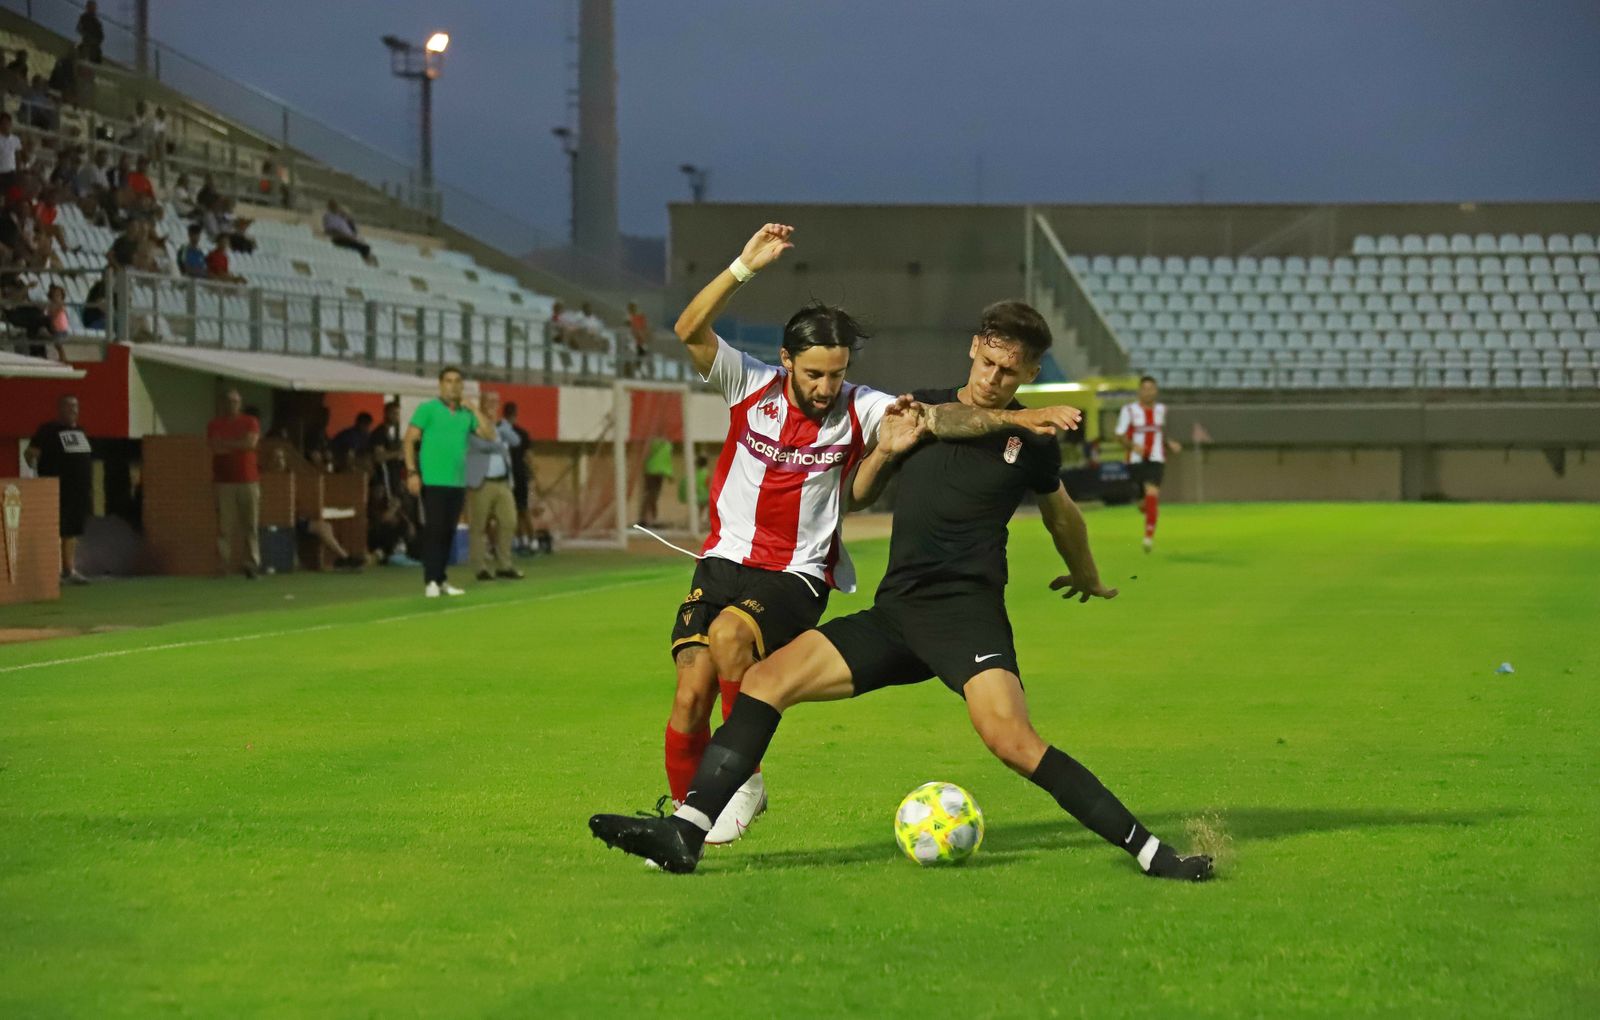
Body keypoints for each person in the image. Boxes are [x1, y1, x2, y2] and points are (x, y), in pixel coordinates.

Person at [589, 301, 1214, 882]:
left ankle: (1153, 854)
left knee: (1012, 742)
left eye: (1010, 371)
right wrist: (885, 453)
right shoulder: (920, 409)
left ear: (1030, 372)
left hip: (966, 617)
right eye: (988, 362)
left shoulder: (1033, 442)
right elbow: (858, 495)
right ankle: (687, 833)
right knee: (764, 681)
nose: (994, 377)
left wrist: (1086, 573)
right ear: (974, 349)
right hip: (896, 614)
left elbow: (1061, 513)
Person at [640, 223, 1081, 845]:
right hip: (721, 561)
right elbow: (689, 329)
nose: (827, 388)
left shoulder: (862, 406)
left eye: (837, 373)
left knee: (730, 636)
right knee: (690, 696)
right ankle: (681, 825)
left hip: (796, 572)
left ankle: (744, 781)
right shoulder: (750, 384)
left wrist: (1021, 417)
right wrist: (743, 267)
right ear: (787, 361)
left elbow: (940, 419)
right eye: (815, 374)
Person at [403, 366, 495, 598]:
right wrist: (412, 472)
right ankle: (431, 580)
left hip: (457, 481)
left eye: (457, 381)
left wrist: (474, 408)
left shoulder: (466, 414)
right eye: (448, 381)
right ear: (441, 384)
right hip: (433, 480)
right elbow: (409, 439)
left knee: (447, 532)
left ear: (462, 386)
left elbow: (489, 435)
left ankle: (441, 578)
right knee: (434, 530)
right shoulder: (428, 409)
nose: (453, 385)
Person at [25, 394, 93, 584]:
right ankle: (51, 571)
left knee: (71, 531)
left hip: (77, 491)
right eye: (69, 406)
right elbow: (30, 453)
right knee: (55, 529)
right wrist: (34, 470)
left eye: (76, 406)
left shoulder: (80, 431)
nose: (73, 410)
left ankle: (69, 570)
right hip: (56, 489)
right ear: (60, 408)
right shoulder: (48, 430)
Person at [1115, 375, 1181, 553]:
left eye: (1151, 389)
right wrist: (1133, 446)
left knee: (1152, 493)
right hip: (1135, 461)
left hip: (1156, 458)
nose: (1148, 392)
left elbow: (1160, 432)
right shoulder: (1129, 410)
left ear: (1156, 391)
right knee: (1142, 504)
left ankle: (1148, 537)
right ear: (1139, 391)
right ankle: (1146, 508)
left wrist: (1170, 443)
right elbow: (1119, 435)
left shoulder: (1161, 410)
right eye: (1145, 389)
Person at [464, 390, 524, 582]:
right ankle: (480, 567)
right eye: (489, 401)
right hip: (482, 482)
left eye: (495, 401)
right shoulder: (472, 423)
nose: (492, 404)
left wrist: (501, 430)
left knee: (509, 521)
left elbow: (516, 441)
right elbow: (479, 445)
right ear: (481, 403)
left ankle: (504, 565)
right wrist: (499, 441)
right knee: (479, 526)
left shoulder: (501, 426)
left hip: (503, 482)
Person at [207, 389, 262, 579]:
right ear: (223, 404)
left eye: (236, 401)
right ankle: (222, 566)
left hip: (249, 480)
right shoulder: (215, 424)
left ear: (240, 403)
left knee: (251, 524)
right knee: (224, 526)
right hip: (223, 482)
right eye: (229, 401)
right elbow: (215, 447)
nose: (232, 405)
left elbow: (250, 444)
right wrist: (239, 444)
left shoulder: (250, 422)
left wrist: (227, 444)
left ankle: (251, 564)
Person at [502, 401, 536, 555]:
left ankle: (521, 539)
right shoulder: (522, 433)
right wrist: (533, 476)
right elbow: (529, 457)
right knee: (522, 509)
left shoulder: (500, 431)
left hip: (507, 476)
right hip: (520, 475)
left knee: (515, 510)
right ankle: (531, 541)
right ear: (516, 414)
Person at [322, 199, 377, 265]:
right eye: (334, 205)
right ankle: (367, 263)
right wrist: (349, 237)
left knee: (365, 246)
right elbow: (331, 230)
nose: (337, 207)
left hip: (349, 238)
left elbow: (354, 230)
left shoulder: (341, 217)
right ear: (330, 206)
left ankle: (367, 260)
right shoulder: (329, 216)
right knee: (365, 247)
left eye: (337, 206)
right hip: (340, 239)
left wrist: (348, 217)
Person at [638, 434, 673, 527]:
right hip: (659, 472)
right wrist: (669, 474)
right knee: (653, 496)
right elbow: (667, 460)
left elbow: (645, 455)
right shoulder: (667, 444)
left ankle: (646, 517)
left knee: (648, 495)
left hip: (650, 470)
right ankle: (651, 518)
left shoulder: (651, 443)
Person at [626, 302, 650, 377]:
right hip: (632, 341)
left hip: (639, 341)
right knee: (636, 354)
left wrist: (642, 335)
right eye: (632, 308)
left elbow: (643, 328)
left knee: (642, 353)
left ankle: (641, 370)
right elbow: (632, 329)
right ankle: (635, 371)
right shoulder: (629, 318)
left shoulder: (638, 317)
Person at [0, 113, 22, 192]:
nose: (5, 125)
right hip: (1, 172)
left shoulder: (16, 139)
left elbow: (18, 157)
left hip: (11, 173)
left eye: (7, 123)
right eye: (3, 123)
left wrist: (18, 173)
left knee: (12, 195)